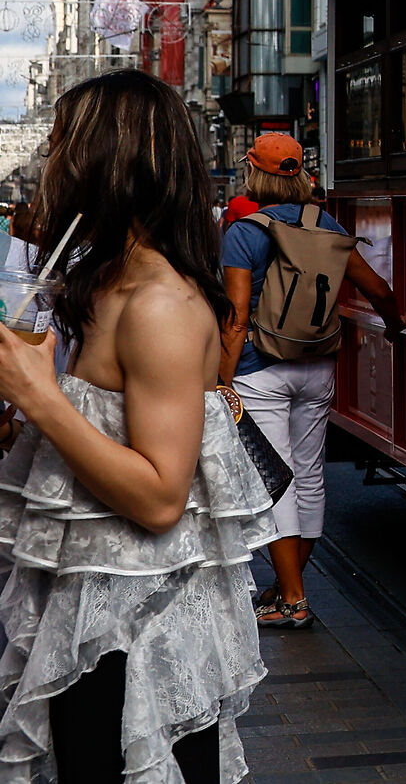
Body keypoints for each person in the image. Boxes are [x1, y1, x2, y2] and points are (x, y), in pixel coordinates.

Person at [0, 70, 280, 783]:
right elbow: (92, 440)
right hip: (86, 603)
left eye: (64, 142)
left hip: (135, 628)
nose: (49, 160)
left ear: (109, 159)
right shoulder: (101, 280)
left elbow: (160, 495)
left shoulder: (160, 302)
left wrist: (45, 402)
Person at [220, 132, 406, 632]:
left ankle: (293, 599)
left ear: (254, 173)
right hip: (318, 364)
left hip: (260, 369)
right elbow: (380, 290)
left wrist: (220, 379)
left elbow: (237, 316)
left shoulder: (243, 231)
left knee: (274, 481)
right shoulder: (325, 223)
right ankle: (287, 587)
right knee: (307, 475)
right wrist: (394, 328)